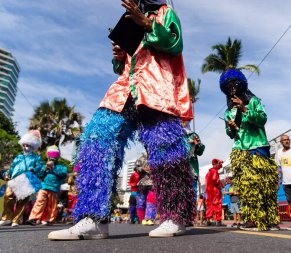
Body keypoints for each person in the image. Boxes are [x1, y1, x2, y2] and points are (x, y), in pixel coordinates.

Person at [48, 0, 194, 240]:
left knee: (165, 148)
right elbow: (123, 65)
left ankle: (174, 217)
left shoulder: (165, 13)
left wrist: (146, 23)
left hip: (156, 89)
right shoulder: (127, 18)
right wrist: (119, 55)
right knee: (97, 138)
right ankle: (93, 219)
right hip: (125, 89)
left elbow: (175, 44)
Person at [220, 69, 279, 231]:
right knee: (246, 186)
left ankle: (270, 218)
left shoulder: (254, 102)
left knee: (264, 184)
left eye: (234, 84)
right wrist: (231, 128)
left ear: (240, 85)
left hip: (258, 146)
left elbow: (262, 119)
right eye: (228, 86)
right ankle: (253, 219)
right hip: (240, 150)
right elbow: (230, 134)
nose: (231, 88)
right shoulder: (228, 112)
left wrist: (245, 109)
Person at [0, 130, 43, 227]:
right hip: (14, 179)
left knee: (22, 200)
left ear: (33, 146)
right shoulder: (18, 157)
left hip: (27, 179)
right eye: (24, 145)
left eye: (28, 145)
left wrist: (34, 169)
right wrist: (7, 174)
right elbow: (12, 167)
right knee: (8, 196)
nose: (25, 147)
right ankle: (6, 218)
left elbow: (40, 166)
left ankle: (16, 220)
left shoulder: (36, 157)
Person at [28, 145, 68, 225]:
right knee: (39, 202)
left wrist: (53, 168)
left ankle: (50, 220)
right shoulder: (44, 166)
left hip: (54, 187)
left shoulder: (61, 166)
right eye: (50, 156)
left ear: (57, 156)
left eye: (54, 156)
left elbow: (63, 175)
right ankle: (33, 218)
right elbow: (39, 175)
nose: (52, 158)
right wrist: (45, 168)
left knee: (52, 205)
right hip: (44, 187)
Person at [182, 121, 205, 200]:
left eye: (184, 119)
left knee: (192, 198)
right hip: (180, 172)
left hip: (192, 171)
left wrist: (197, 144)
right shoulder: (176, 136)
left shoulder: (193, 135)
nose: (182, 122)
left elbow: (200, 152)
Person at [205, 159, 224, 227]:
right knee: (217, 205)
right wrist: (220, 185)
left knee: (210, 206)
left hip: (209, 192)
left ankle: (208, 221)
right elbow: (215, 180)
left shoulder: (208, 172)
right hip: (215, 191)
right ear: (216, 164)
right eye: (219, 164)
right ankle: (218, 221)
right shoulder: (214, 171)